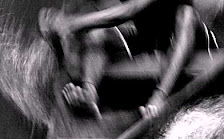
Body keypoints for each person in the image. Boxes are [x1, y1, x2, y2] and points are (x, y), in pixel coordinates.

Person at [38, 0, 203, 120]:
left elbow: (129, 10)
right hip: (147, 41)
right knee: (97, 34)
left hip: (186, 44)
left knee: (187, 15)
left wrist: (70, 23)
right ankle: (90, 94)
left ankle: (161, 94)